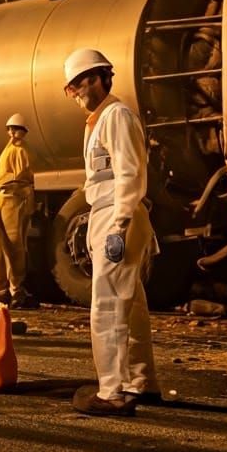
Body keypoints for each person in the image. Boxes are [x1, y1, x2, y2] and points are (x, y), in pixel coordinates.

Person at [63, 48, 160, 417]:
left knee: (107, 305)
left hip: (118, 217)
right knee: (130, 303)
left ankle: (113, 392)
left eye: (81, 83)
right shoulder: (100, 121)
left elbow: (130, 173)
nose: (77, 93)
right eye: (71, 88)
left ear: (101, 77)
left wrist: (118, 225)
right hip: (108, 215)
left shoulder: (116, 116)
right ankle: (140, 381)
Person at [0, 112, 35, 308]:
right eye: (11, 129)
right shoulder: (9, 149)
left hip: (13, 201)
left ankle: (16, 291)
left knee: (14, 248)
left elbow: (24, 178)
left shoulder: (22, 150)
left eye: (16, 129)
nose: (13, 133)